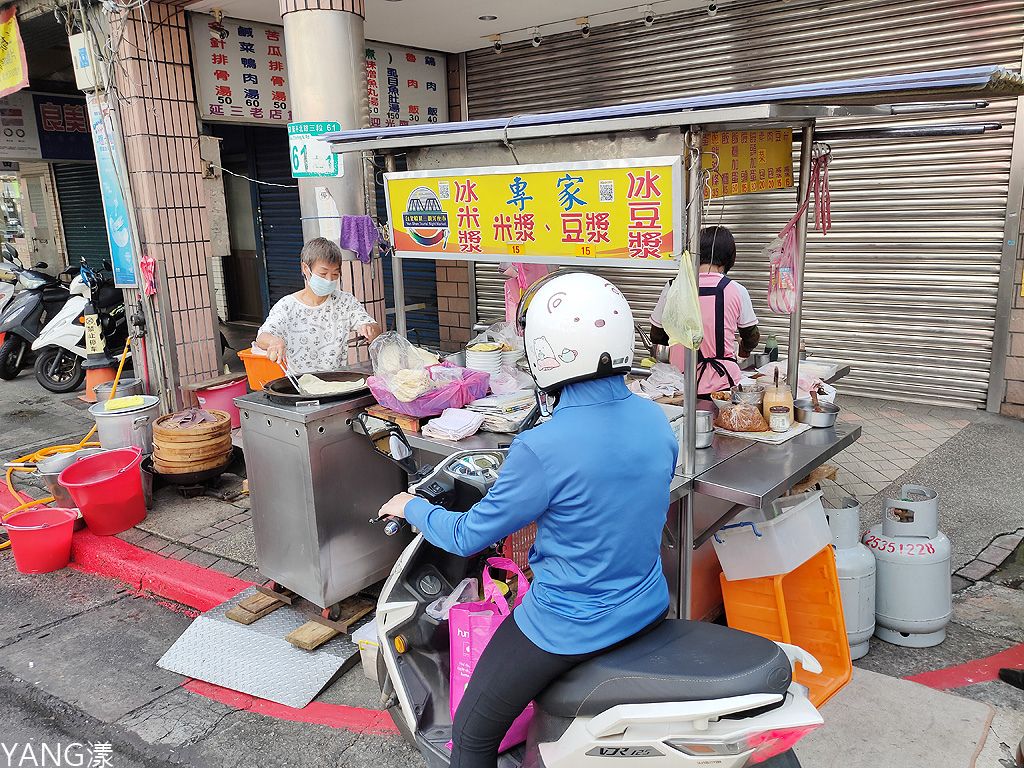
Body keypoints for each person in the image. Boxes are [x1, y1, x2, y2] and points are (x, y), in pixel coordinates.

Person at [377, 271, 677, 768]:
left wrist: (411, 506)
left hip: (567, 624)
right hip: (646, 604)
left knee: (472, 738)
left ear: (545, 351)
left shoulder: (541, 447)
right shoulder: (654, 418)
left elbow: (469, 534)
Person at [649, 225, 760, 395]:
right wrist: (743, 350)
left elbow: (657, 335)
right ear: (729, 258)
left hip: (679, 383)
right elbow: (751, 337)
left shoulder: (673, 287)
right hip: (723, 385)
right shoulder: (736, 289)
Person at [255, 237, 382, 373]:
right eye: (323, 273)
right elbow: (262, 337)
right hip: (301, 384)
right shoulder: (287, 306)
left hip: (338, 380)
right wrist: (274, 342)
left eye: (335, 274)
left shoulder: (345, 302)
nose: (329, 280)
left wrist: (369, 330)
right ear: (305, 269)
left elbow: (375, 329)